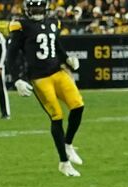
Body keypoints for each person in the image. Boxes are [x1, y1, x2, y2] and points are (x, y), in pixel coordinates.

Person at [9, 0, 85, 177]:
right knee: (57, 115)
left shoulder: (52, 22)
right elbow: (12, 55)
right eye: (33, 8)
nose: (37, 11)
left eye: (39, 7)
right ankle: (64, 163)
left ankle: (68, 144)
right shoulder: (21, 25)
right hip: (39, 78)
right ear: (27, 10)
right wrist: (17, 79)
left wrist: (67, 59)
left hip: (58, 72)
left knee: (78, 106)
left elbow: (56, 46)